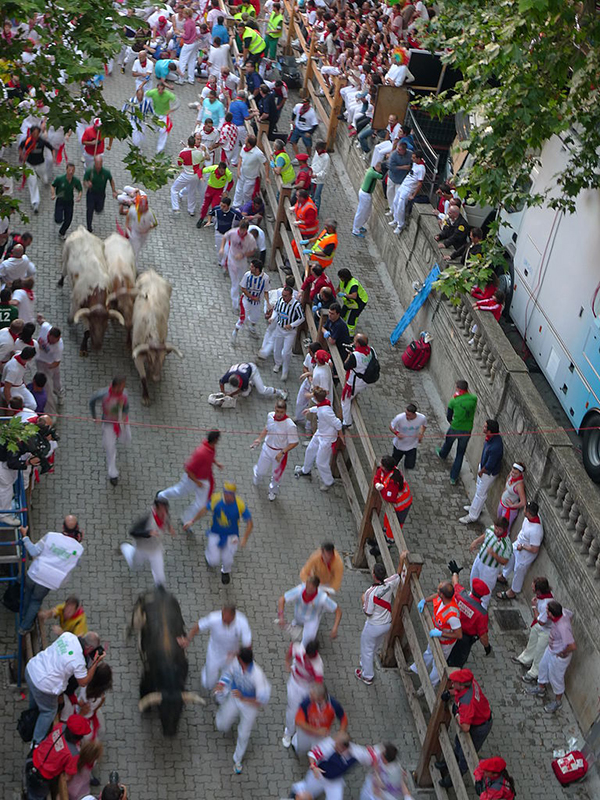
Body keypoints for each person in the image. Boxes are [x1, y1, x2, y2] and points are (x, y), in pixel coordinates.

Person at [25, 632, 105, 744]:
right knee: (48, 711)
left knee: (36, 703)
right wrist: (96, 662)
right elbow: (83, 682)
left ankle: (30, 722)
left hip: (32, 669)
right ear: (90, 648)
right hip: (43, 685)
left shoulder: (68, 635)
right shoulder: (78, 662)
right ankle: (36, 743)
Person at [19, 516, 84, 634]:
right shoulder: (79, 549)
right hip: (48, 581)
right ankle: (24, 627)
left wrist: (25, 537)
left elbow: (33, 551)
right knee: (35, 601)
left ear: (63, 526)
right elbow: (76, 563)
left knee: (27, 593)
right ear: (78, 529)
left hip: (34, 573)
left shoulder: (51, 536)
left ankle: (23, 615)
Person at [214, 647, 271, 774]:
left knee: (244, 734)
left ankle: (237, 759)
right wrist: (221, 684)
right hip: (235, 697)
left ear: (242, 660)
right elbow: (228, 674)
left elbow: (262, 700)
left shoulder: (258, 675)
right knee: (221, 725)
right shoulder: (235, 663)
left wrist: (244, 698)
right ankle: (222, 713)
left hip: (250, 706)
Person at [184, 482, 253, 584]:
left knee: (228, 559)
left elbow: (250, 523)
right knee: (213, 561)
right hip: (215, 533)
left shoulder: (240, 504)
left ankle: (225, 571)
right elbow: (204, 510)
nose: (228, 496)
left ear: (234, 494)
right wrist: (192, 521)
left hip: (231, 536)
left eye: (230, 494)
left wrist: (244, 538)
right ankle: (209, 555)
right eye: (226, 493)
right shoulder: (216, 499)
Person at [437, 669, 493, 788]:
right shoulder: (471, 683)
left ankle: (454, 777)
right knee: (458, 742)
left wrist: (457, 713)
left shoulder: (467, 702)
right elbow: (460, 691)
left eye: (455, 682)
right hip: (479, 717)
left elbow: (465, 727)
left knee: (465, 752)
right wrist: (450, 693)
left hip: (479, 727)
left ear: (462, 685)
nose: (452, 683)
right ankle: (449, 763)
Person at [178, 605, 252, 690]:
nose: (223, 620)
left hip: (232, 656)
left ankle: (221, 694)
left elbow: (248, 645)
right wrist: (188, 639)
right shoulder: (213, 618)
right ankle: (206, 672)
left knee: (228, 682)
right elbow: (198, 626)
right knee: (208, 684)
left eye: (226, 620)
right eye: (222, 617)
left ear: (233, 616)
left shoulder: (242, 621)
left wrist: (237, 654)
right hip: (214, 654)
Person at [157, 430, 222, 526]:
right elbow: (188, 469)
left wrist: (216, 463)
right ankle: (162, 496)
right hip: (192, 480)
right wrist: (197, 482)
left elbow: (210, 457)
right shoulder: (201, 453)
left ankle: (186, 520)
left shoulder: (211, 448)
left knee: (201, 505)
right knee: (179, 492)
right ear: (215, 439)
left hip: (204, 480)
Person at [290, 731, 379, 800]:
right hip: (318, 775)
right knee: (304, 794)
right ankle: (295, 792)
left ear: (344, 747)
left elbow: (373, 757)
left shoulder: (356, 752)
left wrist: (376, 772)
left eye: (337, 744)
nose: (334, 745)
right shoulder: (329, 744)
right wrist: (313, 766)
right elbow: (312, 754)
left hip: (335, 780)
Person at [409, 580, 462, 689]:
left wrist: (441, 633)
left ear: (442, 594)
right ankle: (416, 668)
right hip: (436, 636)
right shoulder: (443, 598)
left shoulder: (452, 615)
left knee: (437, 666)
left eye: (439, 590)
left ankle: (427, 687)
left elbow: (459, 635)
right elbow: (435, 596)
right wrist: (424, 600)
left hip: (445, 643)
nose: (437, 591)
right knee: (429, 652)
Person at [26, 714, 92, 800]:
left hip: (32, 759)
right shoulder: (73, 754)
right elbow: (68, 776)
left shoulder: (60, 727)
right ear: (79, 737)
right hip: (41, 778)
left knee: (31, 790)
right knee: (36, 797)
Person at [356, 561, 401, 686]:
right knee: (375, 646)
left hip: (374, 625)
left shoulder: (370, 592)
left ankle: (367, 675)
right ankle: (366, 662)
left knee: (366, 649)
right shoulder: (389, 584)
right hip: (386, 624)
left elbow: (368, 612)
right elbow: (398, 575)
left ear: (373, 574)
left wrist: (363, 600)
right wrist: (402, 559)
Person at [528, 600, 576, 713]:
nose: (546, 612)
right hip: (551, 649)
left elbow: (573, 646)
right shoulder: (563, 612)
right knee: (543, 666)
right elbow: (570, 615)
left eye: (547, 611)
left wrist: (562, 652)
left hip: (559, 656)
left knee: (556, 678)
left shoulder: (563, 627)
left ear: (551, 614)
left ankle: (557, 702)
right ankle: (541, 688)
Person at [295, 387, 344, 491]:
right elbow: (319, 408)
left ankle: (328, 481)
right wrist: (310, 410)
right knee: (310, 450)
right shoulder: (324, 404)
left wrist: (341, 436)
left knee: (321, 462)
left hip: (326, 439)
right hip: (320, 433)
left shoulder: (326, 412)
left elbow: (337, 423)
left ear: (316, 398)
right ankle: (306, 469)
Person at [120, 496, 175, 587]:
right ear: (156, 508)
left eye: (165, 509)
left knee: (160, 578)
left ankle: (160, 594)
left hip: (155, 549)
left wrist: (170, 528)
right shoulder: (147, 519)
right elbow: (133, 532)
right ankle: (125, 548)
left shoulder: (166, 515)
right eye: (161, 509)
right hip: (142, 549)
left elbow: (167, 521)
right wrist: (148, 533)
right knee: (134, 565)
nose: (164, 512)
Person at [251, 398, 299, 500]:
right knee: (261, 471)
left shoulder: (290, 425)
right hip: (267, 448)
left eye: (281, 412)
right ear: (274, 409)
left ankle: (272, 491)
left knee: (277, 476)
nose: (279, 414)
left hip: (279, 453)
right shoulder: (270, 416)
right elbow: (266, 428)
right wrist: (259, 439)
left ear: (285, 411)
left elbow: (294, 442)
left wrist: (282, 452)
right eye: (277, 411)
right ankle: (257, 473)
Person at [459, 420, 504, 524]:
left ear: (490, 431)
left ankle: (473, 516)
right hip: (483, 468)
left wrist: (481, 471)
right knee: (479, 488)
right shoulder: (491, 438)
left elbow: (490, 465)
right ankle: (475, 507)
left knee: (481, 494)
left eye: (485, 427)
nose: (483, 428)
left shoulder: (495, 447)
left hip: (487, 473)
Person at [497, 501, 543, 600]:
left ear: (529, 513)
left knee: (519, 571)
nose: (524, 510)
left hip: (526, 553)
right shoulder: (529, 519)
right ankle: (504, 576)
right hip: (518, 545)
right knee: (509, 557)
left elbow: (534, 549)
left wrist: (522, 546)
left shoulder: (536, 531)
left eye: (525, 509)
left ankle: (513, 591)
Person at [89, 376, 131, 486]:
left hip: (121, 422)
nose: (123, 389)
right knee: (110, 448)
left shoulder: (124, 395)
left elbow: (126, 407)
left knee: (126, 438)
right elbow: (92, 401)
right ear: (115, 386)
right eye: (121, 386)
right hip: (108, 423)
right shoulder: (104, 394)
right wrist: (95, 416)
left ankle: (122, 440)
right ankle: (113, 473)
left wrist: (124, 415)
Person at [283, 639, 324, 749]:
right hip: (294, 684)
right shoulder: (298, 648)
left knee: (305, 713)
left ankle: (299, 735)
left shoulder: (318, 665)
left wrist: (314, 695)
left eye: (309, 657)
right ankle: (288, 732)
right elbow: (291, 650)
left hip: (308, 689)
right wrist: (287, 662)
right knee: (292, 710)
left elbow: (318, 684)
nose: (307, 659)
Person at [278, 575, 342, 645]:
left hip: (311, 621)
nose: (307, 591)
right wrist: (281, 616)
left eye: (310, 589)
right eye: (307, 587)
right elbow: (282, 599)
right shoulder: (299, 589)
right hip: (298, 617)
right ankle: (297, 627)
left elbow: (338, 611)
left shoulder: (322, 598)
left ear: (316, 588)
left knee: (306, 643)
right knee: (297, 634)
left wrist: (335, 628)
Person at [512, 576, 553, 683]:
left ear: (538, 590)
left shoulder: (547, 604)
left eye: (533, 586)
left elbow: (541, 620)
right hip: (538, 627)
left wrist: (534, 607)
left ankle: (533, 673)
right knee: (532, 643)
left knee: (539, 652)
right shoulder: (542, 597)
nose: (531, 586)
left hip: (545, 630)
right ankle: (525, 659)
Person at [436, 379, 478, 485]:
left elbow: (449, 416)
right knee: (460, 453)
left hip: (455, 427)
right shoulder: (474, 399)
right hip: (467, 429)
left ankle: (443, 454)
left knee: (448, 442)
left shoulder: (454, 400)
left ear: (459, 389)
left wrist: (452, 422)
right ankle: (453, 477)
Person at [448, 572, 491, 667]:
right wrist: (487, 647)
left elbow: (455, 583)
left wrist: (455, 573)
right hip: (464, 639)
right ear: (483, 595)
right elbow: (483, 636)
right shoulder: (482, 614)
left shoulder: (461, 594)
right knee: (456, 663)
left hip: (451, 629)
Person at [292, 683, 348, 755]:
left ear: (320, 697)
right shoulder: (306, 703)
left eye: (312, 695)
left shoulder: (334, 705)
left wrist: (341, 733)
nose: (309, 696)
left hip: (321, 736)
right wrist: (317, 731)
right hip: (306, 732)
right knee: (300, 747)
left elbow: (343, 718)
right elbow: (298, 721)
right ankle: (294, 743)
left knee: (319, 753)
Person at [469, 518, 511, 608]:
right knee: (473, 578)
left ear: (504, 529)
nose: (496, 531)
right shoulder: (491, 529)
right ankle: (472, 596)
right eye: (496, 527)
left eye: (499, 529)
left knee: (486, 588)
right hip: (479, 559)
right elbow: (485, 535)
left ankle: (483, 606)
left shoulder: (506, 544)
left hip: (490, 568)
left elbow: (505, 561)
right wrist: (476, 541)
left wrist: (494, 555)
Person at [373, 456, 413, 542]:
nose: (380, 465)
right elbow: (377, 476)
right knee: (387, 521)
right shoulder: (386, 470)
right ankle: (383, 538)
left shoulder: (393, 481)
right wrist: (377, 484)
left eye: (382, 464)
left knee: (394, 525)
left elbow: (389, 497)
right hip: (395, 504)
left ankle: (388, 542)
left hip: (402, 506)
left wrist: (382, 488)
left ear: (386, 468)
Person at [220, 219, 257, 309]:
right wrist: (222, 248)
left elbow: (253, 250)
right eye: (241, 229)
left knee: (241, 279)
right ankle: (235, 304)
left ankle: (243, 293)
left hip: (242, 262)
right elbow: (225, 237)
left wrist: (244, 255)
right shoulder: (232, 233)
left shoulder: (250, 239)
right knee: (235, 283)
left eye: (244, 230)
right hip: (232, 260)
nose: (241, 232)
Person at [341, 334, 376, 428]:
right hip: (364, 379)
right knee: (352, 394)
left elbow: (346, 366)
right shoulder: (371, 350)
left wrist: (349, 354)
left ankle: (347, 422)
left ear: (357, 343)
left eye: (355, 341)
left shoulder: (355, 356)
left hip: (354, 382)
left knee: (345, 400)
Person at [232, 259, 271, 343]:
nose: (250, 267)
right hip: (246, 301)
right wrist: (251, 297)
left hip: (257, 303)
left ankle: (252, 328)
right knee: (244, 317)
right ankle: (235, 331)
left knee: (255, 317)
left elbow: (266, 291)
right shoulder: (247, 275)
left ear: (257, 269)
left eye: (252, 266)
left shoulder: (265, 278)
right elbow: (243, 288)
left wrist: (268, 303)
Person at [18, 125, 55, 213]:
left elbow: (51, 148)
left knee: (44, 177)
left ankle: (45, 180)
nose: (35, 135)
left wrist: (53, 156)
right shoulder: (27, 141)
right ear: (31, 133)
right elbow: (20, 147)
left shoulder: (42, 141)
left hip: (40, 164)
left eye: (37, 133)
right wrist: (22, 155)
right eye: (34, 133)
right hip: (29, 164)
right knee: (32, 182)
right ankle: (35, 202)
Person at [391, 149, 426, 234]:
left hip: (409, 188)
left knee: (400, 205)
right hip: (404, 184)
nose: (412, 159)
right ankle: (396, 219)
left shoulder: (421, 169)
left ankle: (400, 225)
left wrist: (413, 195)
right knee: (395, 202)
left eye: (414, 158)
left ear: (419, 158)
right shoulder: (415, 164)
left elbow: (419, 183)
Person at [171, 135, 205, 216]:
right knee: (192, 192)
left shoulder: (182, 152)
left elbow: (179, 163)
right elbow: (201, 162)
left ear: (188, 142)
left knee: (174, 189)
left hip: (186, 175)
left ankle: (176, 208)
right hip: (195, 176)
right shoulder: (200, 152)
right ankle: (191, 210)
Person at [35, 318, 64, 414]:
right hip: (40, 360)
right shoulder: (45, 327)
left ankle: (59, 393)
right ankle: (51, 412)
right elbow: (42, 321)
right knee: (47, 388)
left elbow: (57, 362)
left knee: (56, 381)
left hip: (51, 364)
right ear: (48, 334)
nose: (52, 343)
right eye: (51, 341)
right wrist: (39, 318)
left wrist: (49, 366)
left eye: (55, 341)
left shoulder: (59, 346)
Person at [83, 156, 117, 234]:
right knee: (89, 210)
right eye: (97, 165)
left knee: (99, 209)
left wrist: (113, 191)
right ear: (94, 163)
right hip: (91, 193)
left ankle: (97, 207)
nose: (98, 167)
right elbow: (84, 182)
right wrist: (87, 184)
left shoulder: (106, 172)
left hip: (101, 194)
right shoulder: (89, 171)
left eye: (100, 165)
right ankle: (89, 227)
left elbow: (111, 180)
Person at [233, 134, 269, 208]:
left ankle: (246, 207)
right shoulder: (244, 147)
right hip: (242, 173)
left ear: (249, 144)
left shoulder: (258, 153)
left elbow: (266, 163)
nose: (244, 142)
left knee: (247, 193)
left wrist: (267, 177)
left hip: (251, 177)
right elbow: (240, 157)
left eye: (246, 141)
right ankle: (236, 204)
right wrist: (238, 169)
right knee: (238, 190)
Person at [220, 361, 286, 399]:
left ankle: (280, 391)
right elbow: (221, 382)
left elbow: (240, 389)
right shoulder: (227, 376)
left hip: (253, 371)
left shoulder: (244, 379)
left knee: (262, 391)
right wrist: (223, 392)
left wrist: (231, 394)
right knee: (244, 394)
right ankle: (251, 384)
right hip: (246, 370)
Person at [390, 404, 427, 469]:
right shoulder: (399, 418)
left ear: (414, 414)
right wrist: (396, 433)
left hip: (412, 446)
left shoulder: (422, 418)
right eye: (406, 413)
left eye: (409, 415)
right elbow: (391, 426)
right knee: (393, 464)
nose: (406, 416)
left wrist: (421, 434)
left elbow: (424, 426)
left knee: (410, 465)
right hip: (399, 446)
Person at [51, 163, 82, 240]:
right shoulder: (60, 179)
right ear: (66, 170)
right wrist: (53, 194)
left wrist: (79, 196)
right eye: (69, 170)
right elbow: (52, 185)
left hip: (69, 201)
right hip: (60, 200)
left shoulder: (75, 180)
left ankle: (62, 232)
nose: (71, 172)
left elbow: (80, 189)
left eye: (73, 170)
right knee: (58, 219)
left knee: (68, 220)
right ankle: (57, 216)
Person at [146, 82, 179, 152]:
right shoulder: (153, 92)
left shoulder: (168, 94)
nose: (160, 91)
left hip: (164, 115)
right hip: (155, 114)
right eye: (159, 89)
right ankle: (157, 128)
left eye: (162, 89)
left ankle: (159, 148)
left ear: (164, 89)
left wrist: (172, 110)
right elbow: (145, 94)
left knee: (163, 131)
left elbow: (177, 102)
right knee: (156, 126)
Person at [197, 161, 234, 226]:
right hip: (210, 188)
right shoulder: (212, 168)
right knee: (205, 204)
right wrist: (201, 177)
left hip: (219, 191)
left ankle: (212, 220)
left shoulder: (228, 173)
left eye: (224, 171)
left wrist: (226, 191)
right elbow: (200, 171)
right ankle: (201, 218)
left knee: (215, 206)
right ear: (218, 169)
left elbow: (231, 182)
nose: (223, 173)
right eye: (221, 171)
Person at [352, 162, 383, 238]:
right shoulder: (373, 173)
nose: (380, 170)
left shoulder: (371, 169)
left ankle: (359, 225)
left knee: (366, 211)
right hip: (365, 194)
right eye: (380, 169)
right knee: (361, 212)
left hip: (365, 194)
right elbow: (382, 177)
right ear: (377, 167)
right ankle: (355, 230)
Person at [125, 194, 158, 264]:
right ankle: (134, 266)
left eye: (144, 208)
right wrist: (126, 226)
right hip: (135, 233)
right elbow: (128, 216)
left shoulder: (150, 213)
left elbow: (155, 223)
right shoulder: (133, 210)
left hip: (144, 235)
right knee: (135, 251)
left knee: (139, 247)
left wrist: (148, 229)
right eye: (141, 208)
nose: (142, 210)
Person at [496, 463, 527, 533]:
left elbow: (523, 502)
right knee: (498, 521)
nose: (513, 474)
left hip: (509, 510)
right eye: (512, 471)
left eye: (515, 473)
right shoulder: (510, 475)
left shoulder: (519, 485)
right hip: (502, 503)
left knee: (504, 528)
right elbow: (506, 483)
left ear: (521, 474)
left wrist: (512, 505)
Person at [337, 269, 369, 335]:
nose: (340, 278)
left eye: (341, 277)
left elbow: (354, 296)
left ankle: (350, 334)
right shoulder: (342, 281)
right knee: (342, 314)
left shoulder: (353, 284)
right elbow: (338, 288)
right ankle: (340, 327)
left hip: (360, 302)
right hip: (350, 301)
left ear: (345, 277)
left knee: (352, 318)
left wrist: (344, 295)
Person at [291, 189, 319, 260]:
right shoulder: (301, 201)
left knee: (298, 248)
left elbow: (310, 221)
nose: (296, 197)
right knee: (293, 244)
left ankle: (296, 261)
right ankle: (291, 260)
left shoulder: (310, 208)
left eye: (297, 196)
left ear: (302, 198)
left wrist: (300, 222)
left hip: (308, 232)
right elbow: (298, 206)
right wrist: (294, 208)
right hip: (302, 230)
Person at [385, 141, 412, 214]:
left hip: (401, 179)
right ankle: (391, 209)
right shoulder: (393, 155)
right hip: (392, 177)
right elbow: (391, 167)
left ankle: (396, 212)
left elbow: (411, 165)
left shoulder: (410, 154)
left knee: (397, 196)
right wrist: (403, 167)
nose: (398, 150)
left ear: (404, 150)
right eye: (398, 149)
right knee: (390, 193)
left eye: (400, 149)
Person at [310, 141, 330, 213]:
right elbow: (314, 163)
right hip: (312, 177)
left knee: (317, 196)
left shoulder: (326, 158)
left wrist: (316, 175)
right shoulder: (316, 153)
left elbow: (325, 171)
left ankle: (316, 211)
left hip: (319, 180)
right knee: (311, 194)